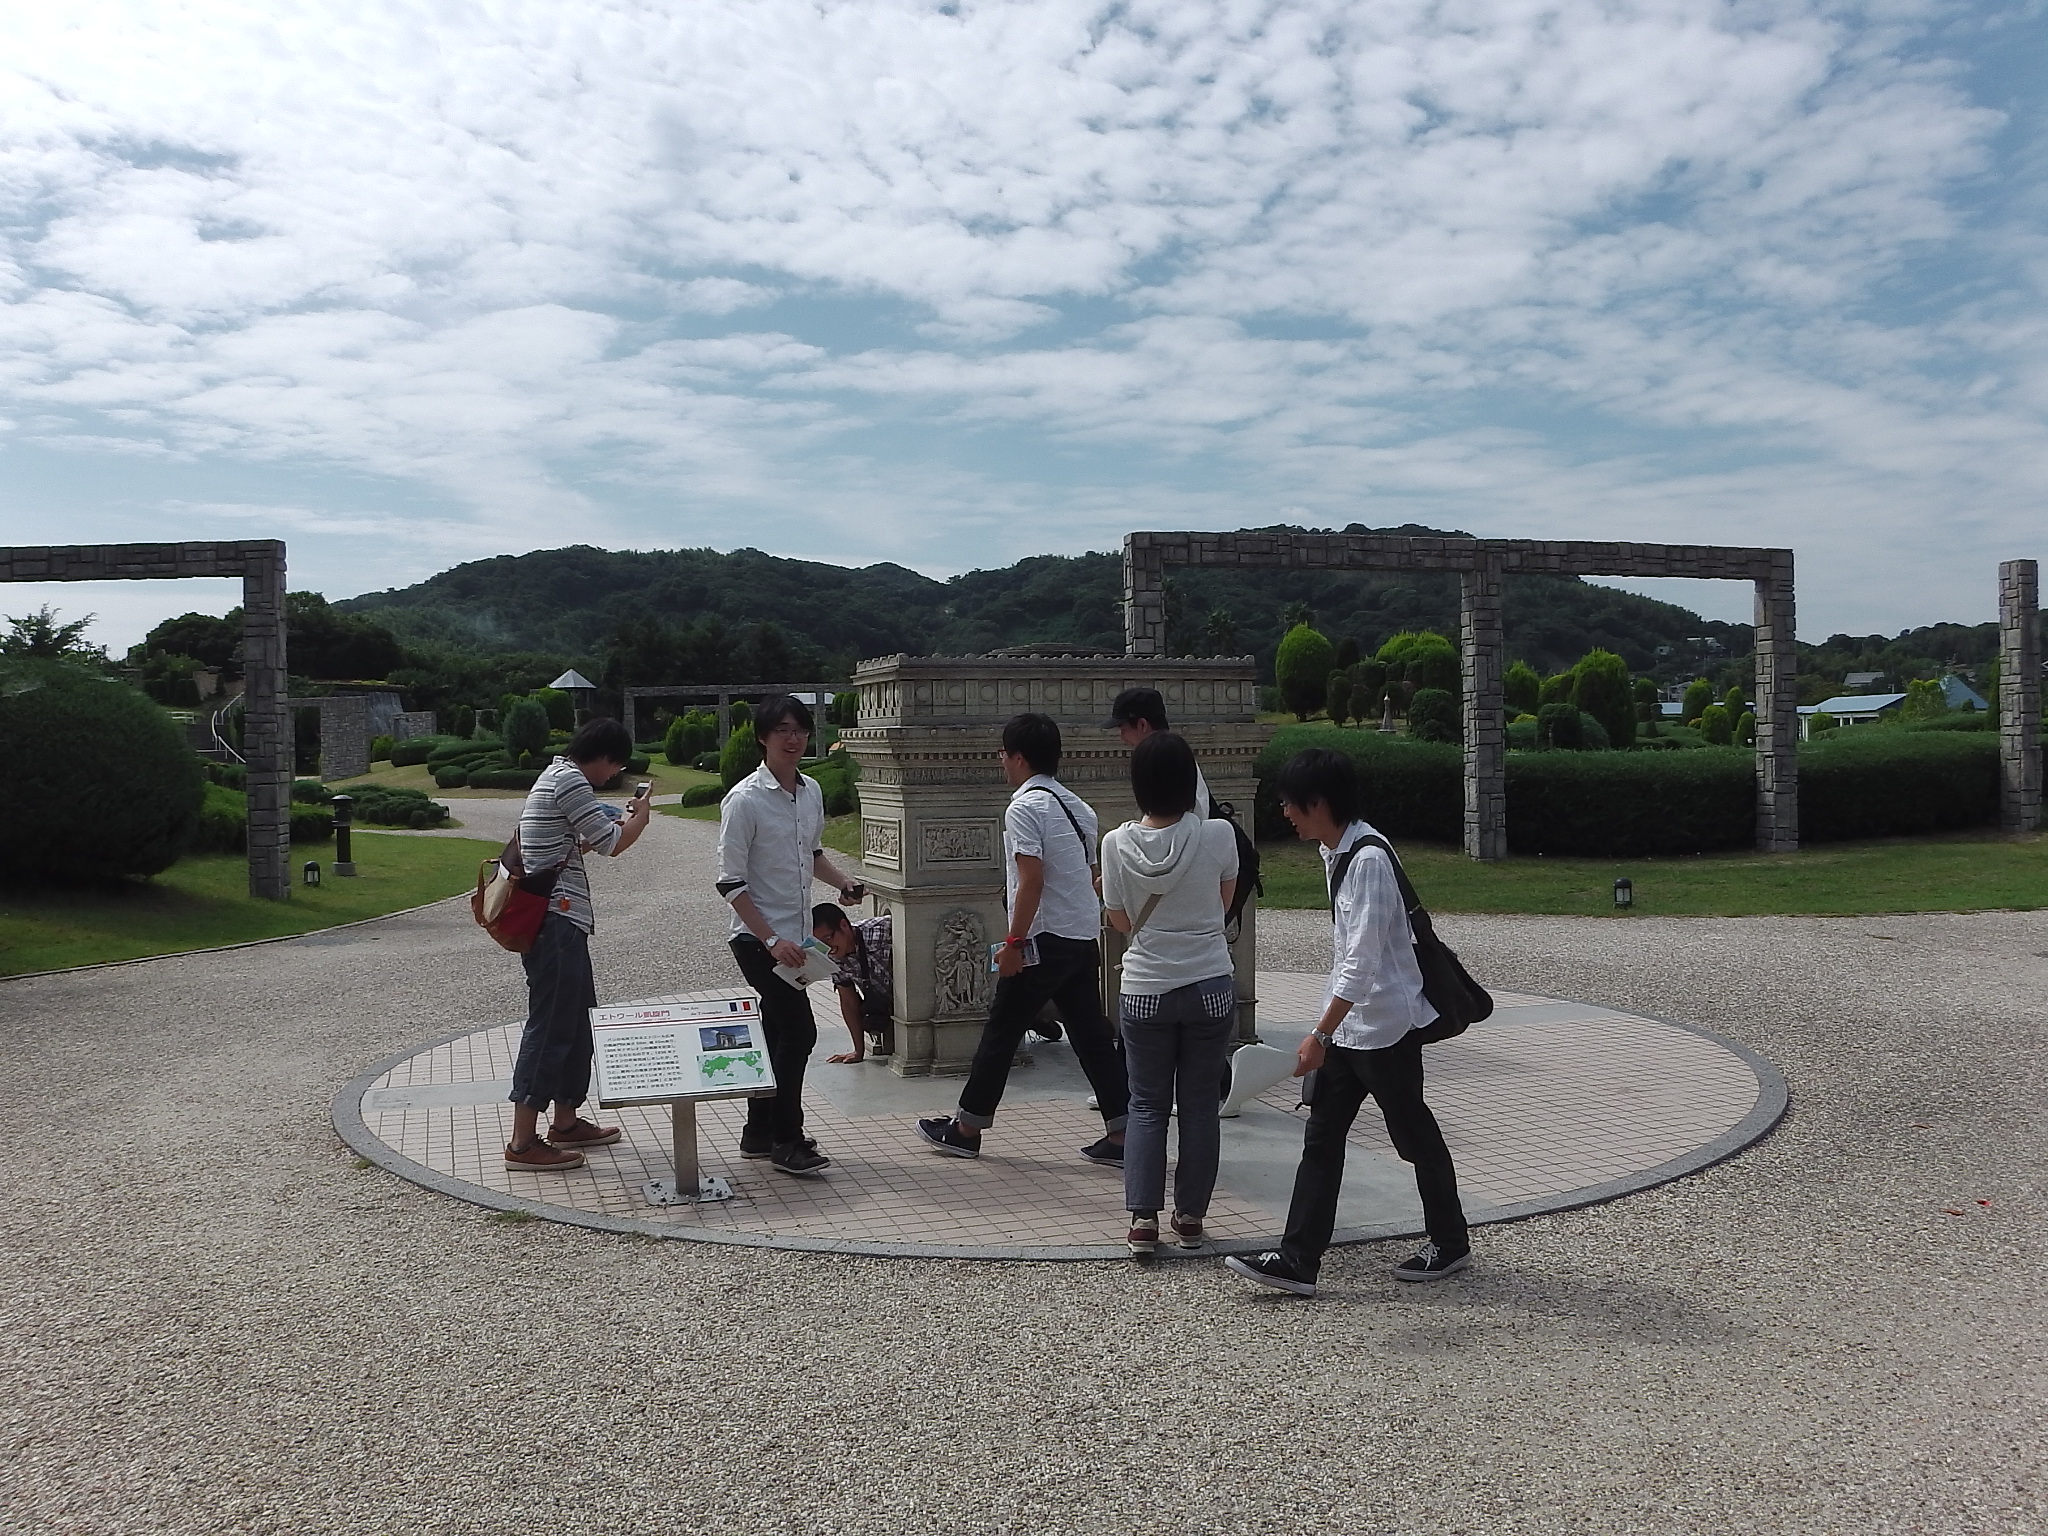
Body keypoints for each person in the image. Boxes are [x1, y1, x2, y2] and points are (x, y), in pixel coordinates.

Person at [1225, 747, 1471, 1296]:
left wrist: (1319, 1034)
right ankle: (1297, 1260)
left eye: (1290, 802)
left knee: (1414, 1138)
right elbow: (1349, 959)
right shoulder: (1335, 851)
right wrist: (1328, 1028)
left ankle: (1450, 1242)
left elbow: (1362, 963)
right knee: (1322, 1140)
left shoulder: (1368, 861)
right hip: (1351, 1030)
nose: (1285, 812)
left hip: (1384, 1031)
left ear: (1318, 803)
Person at [916, 713, 1130, 1164]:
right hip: (1080, 936)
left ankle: (966, 1129)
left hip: (1042, 940)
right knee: (1091, 1036)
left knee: (1002, 1031)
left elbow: (1031, 880)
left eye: (1003, 753)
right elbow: (1087, 874)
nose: (1002, 762)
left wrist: (1013, 943)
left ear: (1017, 757)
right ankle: (1122, 1133)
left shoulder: (1025, 808)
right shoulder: (1079, 807)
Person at [1100, 731, 1238, 1256]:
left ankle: (1143, 1220)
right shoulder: (1218, 836)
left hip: (1145, 988)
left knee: (1146, 1105)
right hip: (1209, 983)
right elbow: (1223, 904)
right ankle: (1191, 1216)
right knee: (1200, 1105)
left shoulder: (1115, 845)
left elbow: (1119, 922)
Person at [717, 694, 865, 1177]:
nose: (793, 738)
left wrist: (842, 882)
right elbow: (730, 884)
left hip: (797, 940)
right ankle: (787, 1139)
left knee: (777, 1032)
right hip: (758, 940)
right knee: (800, 1032)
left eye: (799, 729)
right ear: (763, 737)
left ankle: (759, 1132)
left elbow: (812, 853)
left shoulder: (811, 790)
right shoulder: (744, 799)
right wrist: (769, 940)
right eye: (782, 729)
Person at [504, 717, 652, 1171]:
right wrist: (641, 818)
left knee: (578, 1021)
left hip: (561, 921)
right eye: (616, 765)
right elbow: (612, 845)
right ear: (603, 756)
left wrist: (602, 830)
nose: (614, 774)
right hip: (557, 921)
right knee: (550, 1026)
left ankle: (565, 1121)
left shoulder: (555, 775)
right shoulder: (570, 781)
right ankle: (522, 1143)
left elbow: (569, 844)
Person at [812, 902, 892, 1063]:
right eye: (819, 944)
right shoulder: (832, 958)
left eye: (828, 938)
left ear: (844, 925)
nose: (827, 948)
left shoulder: (882, 929)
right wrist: (858, 1051)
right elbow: (848, 1001)